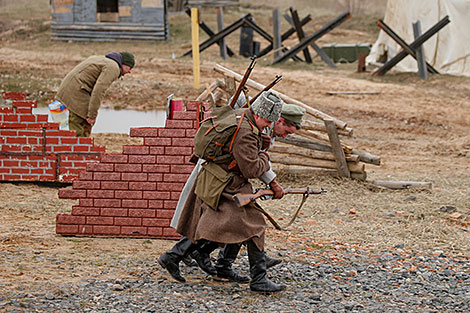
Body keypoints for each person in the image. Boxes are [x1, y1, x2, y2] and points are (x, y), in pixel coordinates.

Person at [159, 91, 288, 293]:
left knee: (213, 224)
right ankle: (258, 279)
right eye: (268, 121)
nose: (269, 126)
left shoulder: (243, 115)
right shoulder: (246, 132)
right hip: (225, 183)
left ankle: (175, 257)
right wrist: (264, 156)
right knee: (254, 225)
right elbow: (252, 169)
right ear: (261, 115)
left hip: (221, 180)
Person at [55, 51, 135, 137]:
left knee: (73, 124)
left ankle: (74, 145)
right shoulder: (113, 67)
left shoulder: (101, 59)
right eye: (129, 68)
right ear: (123, 64)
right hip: (76, 91)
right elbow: (99, 91)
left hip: (67, 89)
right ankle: (79, 148)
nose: (129, 71)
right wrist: (92, 115)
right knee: (82, 124)